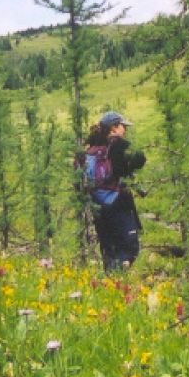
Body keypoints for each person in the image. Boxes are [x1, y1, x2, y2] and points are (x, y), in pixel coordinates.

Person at [81, 110, 146, 272]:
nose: (125, 130)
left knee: (108, 246)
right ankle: (120, 280)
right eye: (123, 126)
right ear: (114, 128)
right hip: (118, 202)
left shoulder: (92, 147)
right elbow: (140, 159)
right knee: (129, 247)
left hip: (97, 203)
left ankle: (109, 281)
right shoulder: (119, 144)